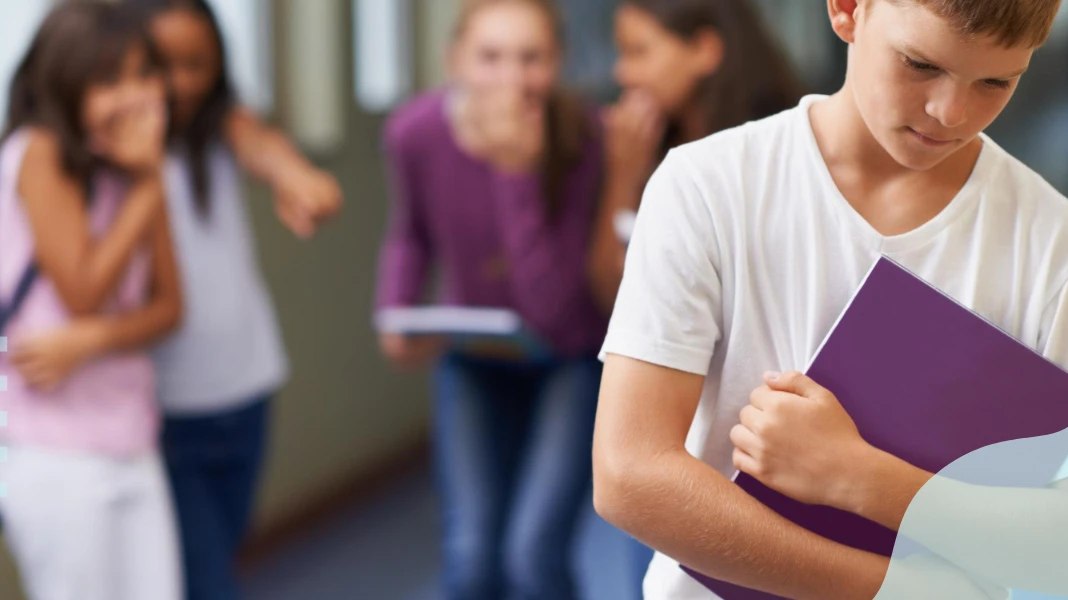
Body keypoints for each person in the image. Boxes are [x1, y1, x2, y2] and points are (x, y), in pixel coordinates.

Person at [591, 0, 1068, 598]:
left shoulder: (1067, 256)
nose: (951, 112)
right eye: (920, 64)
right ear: (846, 10)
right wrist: (897, 591)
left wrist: (858, 476)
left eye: (995, 82)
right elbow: (629, 475)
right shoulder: (705, 187)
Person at [373, 0, 607, 598]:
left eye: (532, 58)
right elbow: (411, 233)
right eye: (490, 57)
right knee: (470, 557)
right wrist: (395, 309)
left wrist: (515, 172)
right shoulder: (414, 132)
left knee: (534, 555)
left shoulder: (586, 136)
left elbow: (551, 308)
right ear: (455, 61)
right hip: (473, 356)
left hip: (568, 360)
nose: (512, 79)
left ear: (559, 62)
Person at [125, 1, 342, 598]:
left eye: (197, 65)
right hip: (163, 406)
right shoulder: (117, 154)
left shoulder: (222, 127)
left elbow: (264, 147)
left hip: (246, 390)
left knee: (221, 553)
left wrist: (298, 179)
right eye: (160, 65)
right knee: (204, 578)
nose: (179, 83)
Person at [0, 3, 184, 599]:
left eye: (146, 74)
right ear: (64, 85)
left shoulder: (134, 172)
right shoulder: (38, 154)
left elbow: (171, 307)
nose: (138, 96)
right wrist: (151, 181)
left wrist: (94, 341)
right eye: (109, 80)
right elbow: (84, 292)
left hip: (131, 437)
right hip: (51, 452)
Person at [589, 0, 803, 310]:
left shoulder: (774, 151)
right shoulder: (648, 145)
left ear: (704, 50)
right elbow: (611, 291)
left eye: (638, 52)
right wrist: (622, 175)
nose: (623, 73)